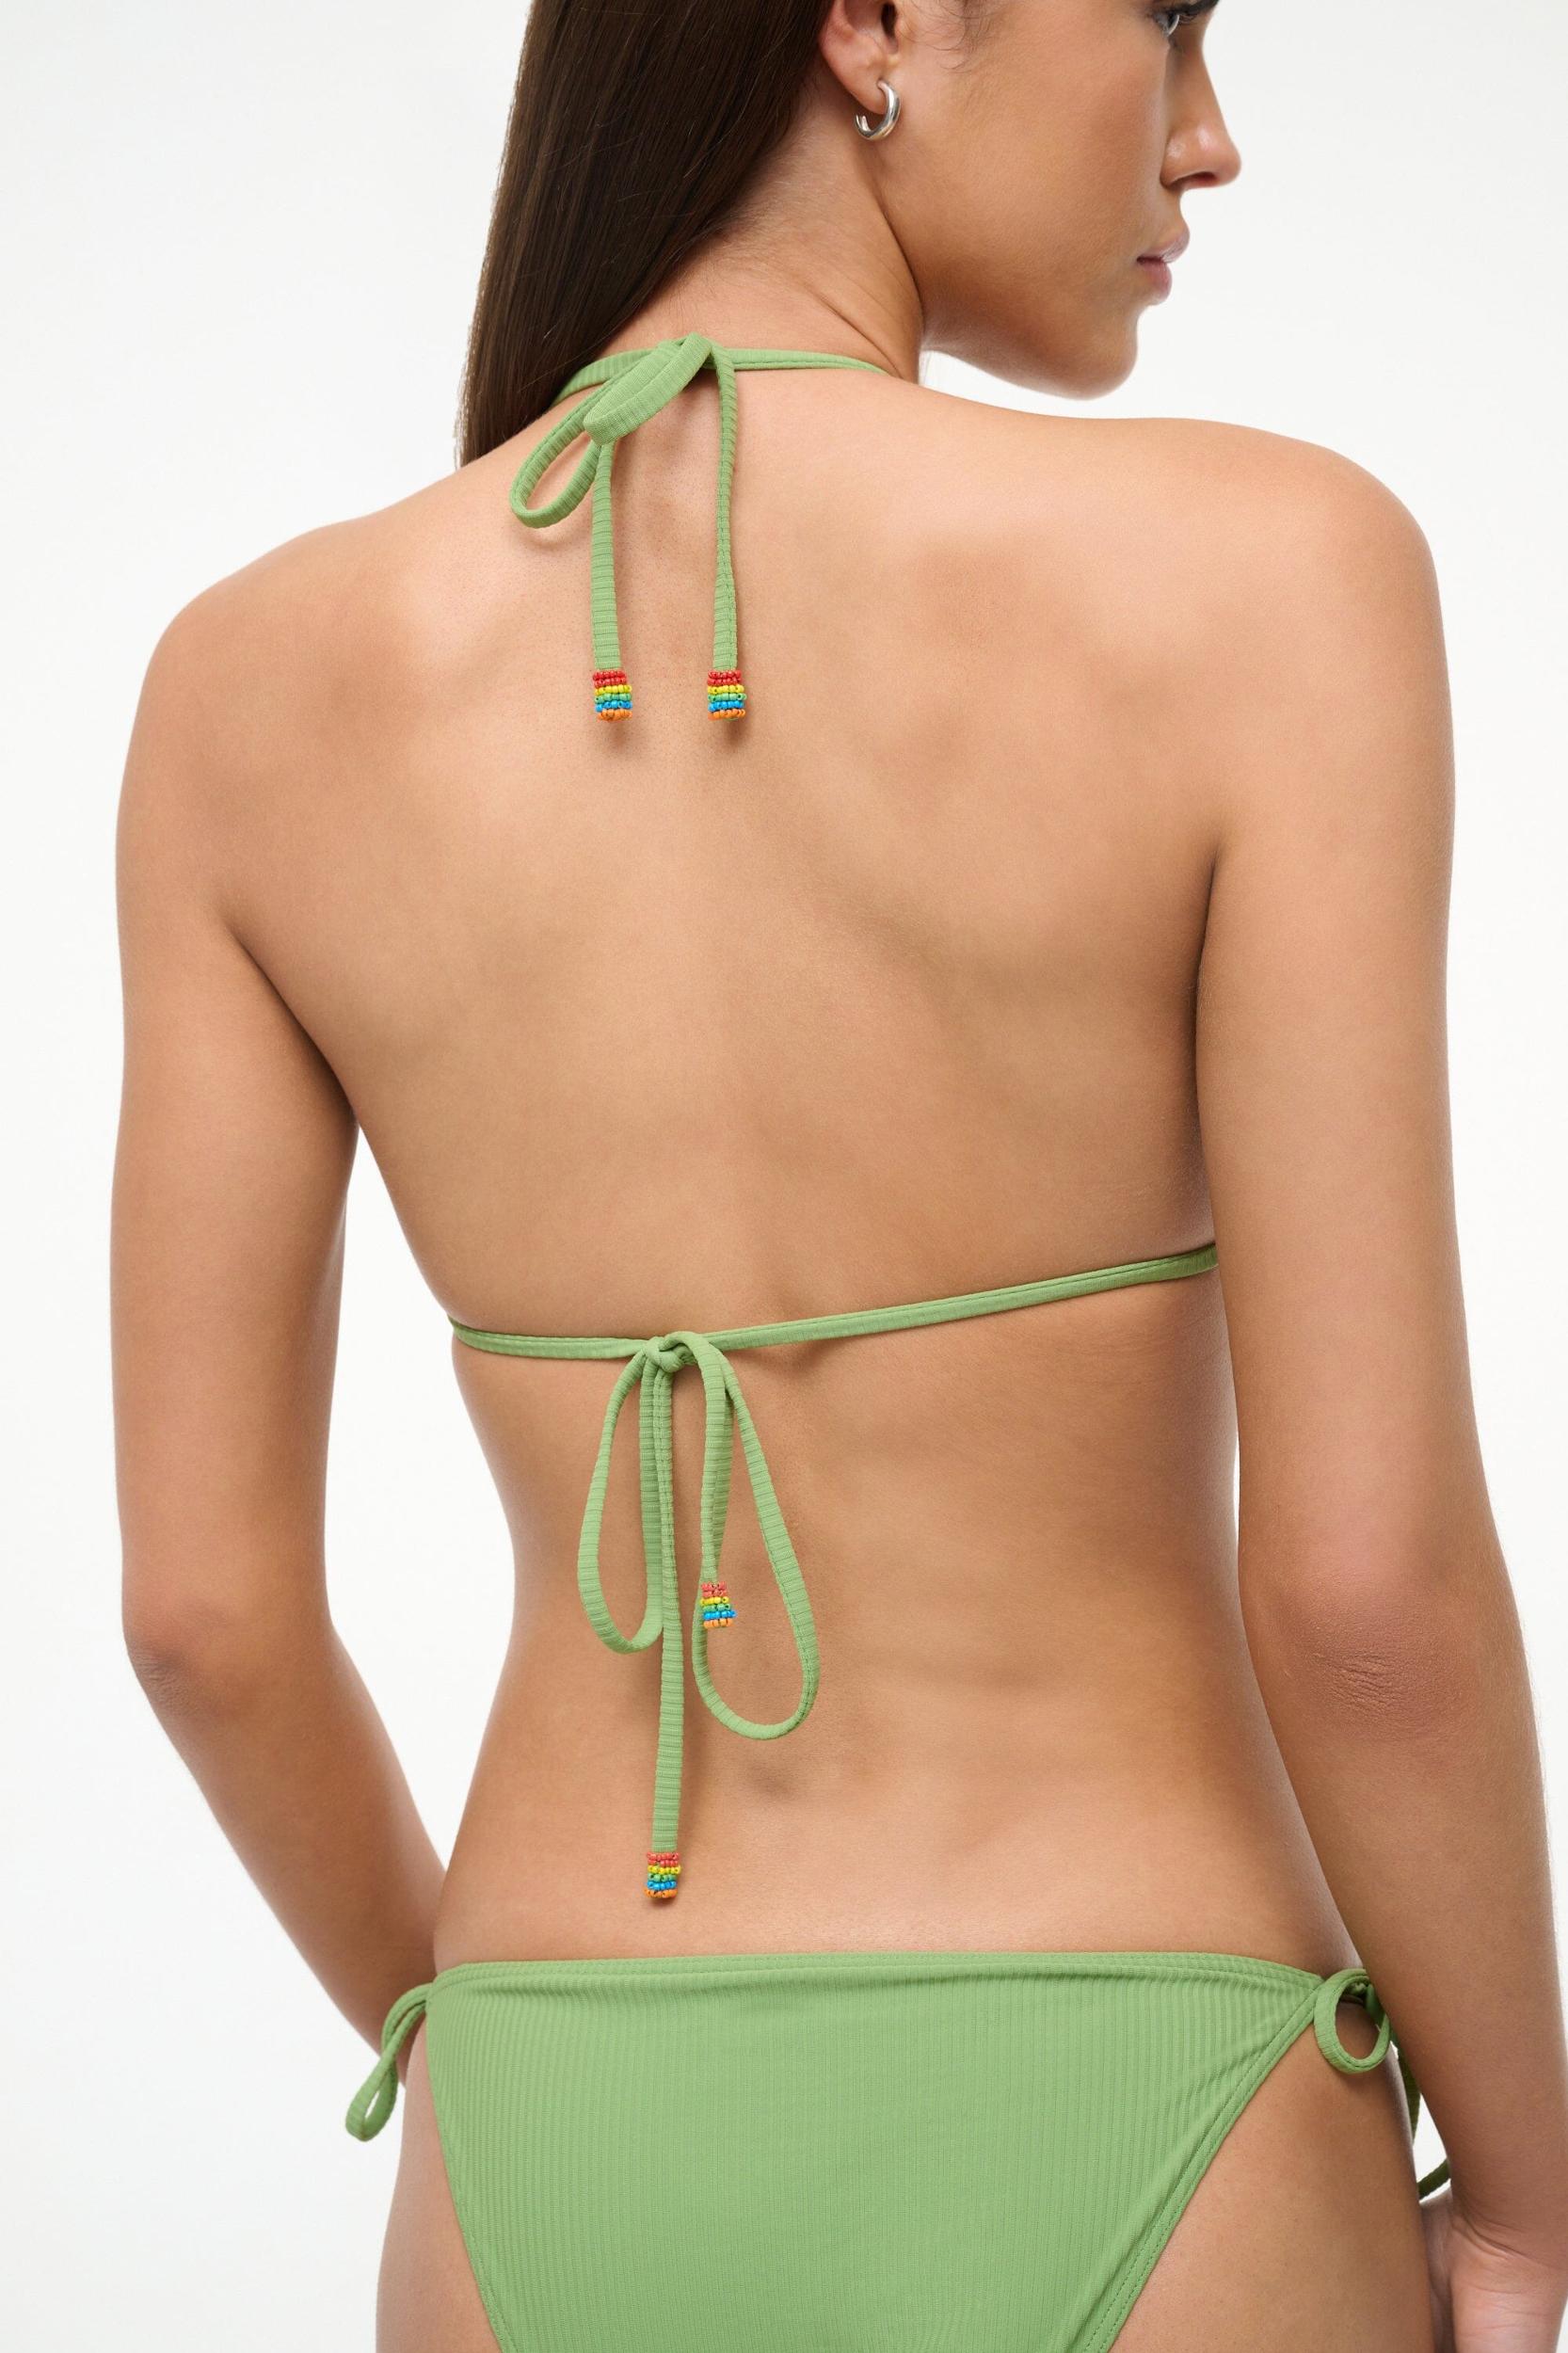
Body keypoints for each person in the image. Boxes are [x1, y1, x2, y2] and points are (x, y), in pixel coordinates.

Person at [110, 3, 1568, 2347]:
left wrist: (495, 2058)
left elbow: (206, 1618)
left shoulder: (241, 690)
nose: (1204, 140)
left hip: (555, 2116)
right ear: (871, 20)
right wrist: (1516, 2209)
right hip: (1156, 2092)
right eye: (1165, 23)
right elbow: (1362, 1583)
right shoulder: (1270, 576)